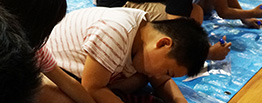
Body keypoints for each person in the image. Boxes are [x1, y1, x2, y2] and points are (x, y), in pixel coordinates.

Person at [46, 7, 209, 103]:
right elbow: (92, 88)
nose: (160, 76)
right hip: (58, 72)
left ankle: (114, 101)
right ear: (163, 43)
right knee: (56, 99)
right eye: (167, 71)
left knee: (141, 78)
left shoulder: (145, 34)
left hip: (92, 74)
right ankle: (114, 102)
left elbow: (162, 81)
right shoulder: (116, 32)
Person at [94, 1, 230, 60]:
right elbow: (176, 29)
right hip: (113, 8)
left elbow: (224, 9)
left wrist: (247, 15)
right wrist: (205, 54)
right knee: (195, 13)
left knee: (198, 10)